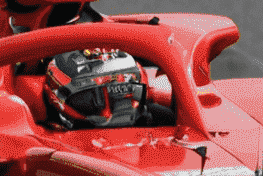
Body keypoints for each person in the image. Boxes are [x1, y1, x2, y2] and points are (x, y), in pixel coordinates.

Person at [41, 47, 173, 128]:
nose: (121, 101)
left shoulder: (165, 117)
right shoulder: (44, 135)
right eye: (96, 98)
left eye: (128, 89)